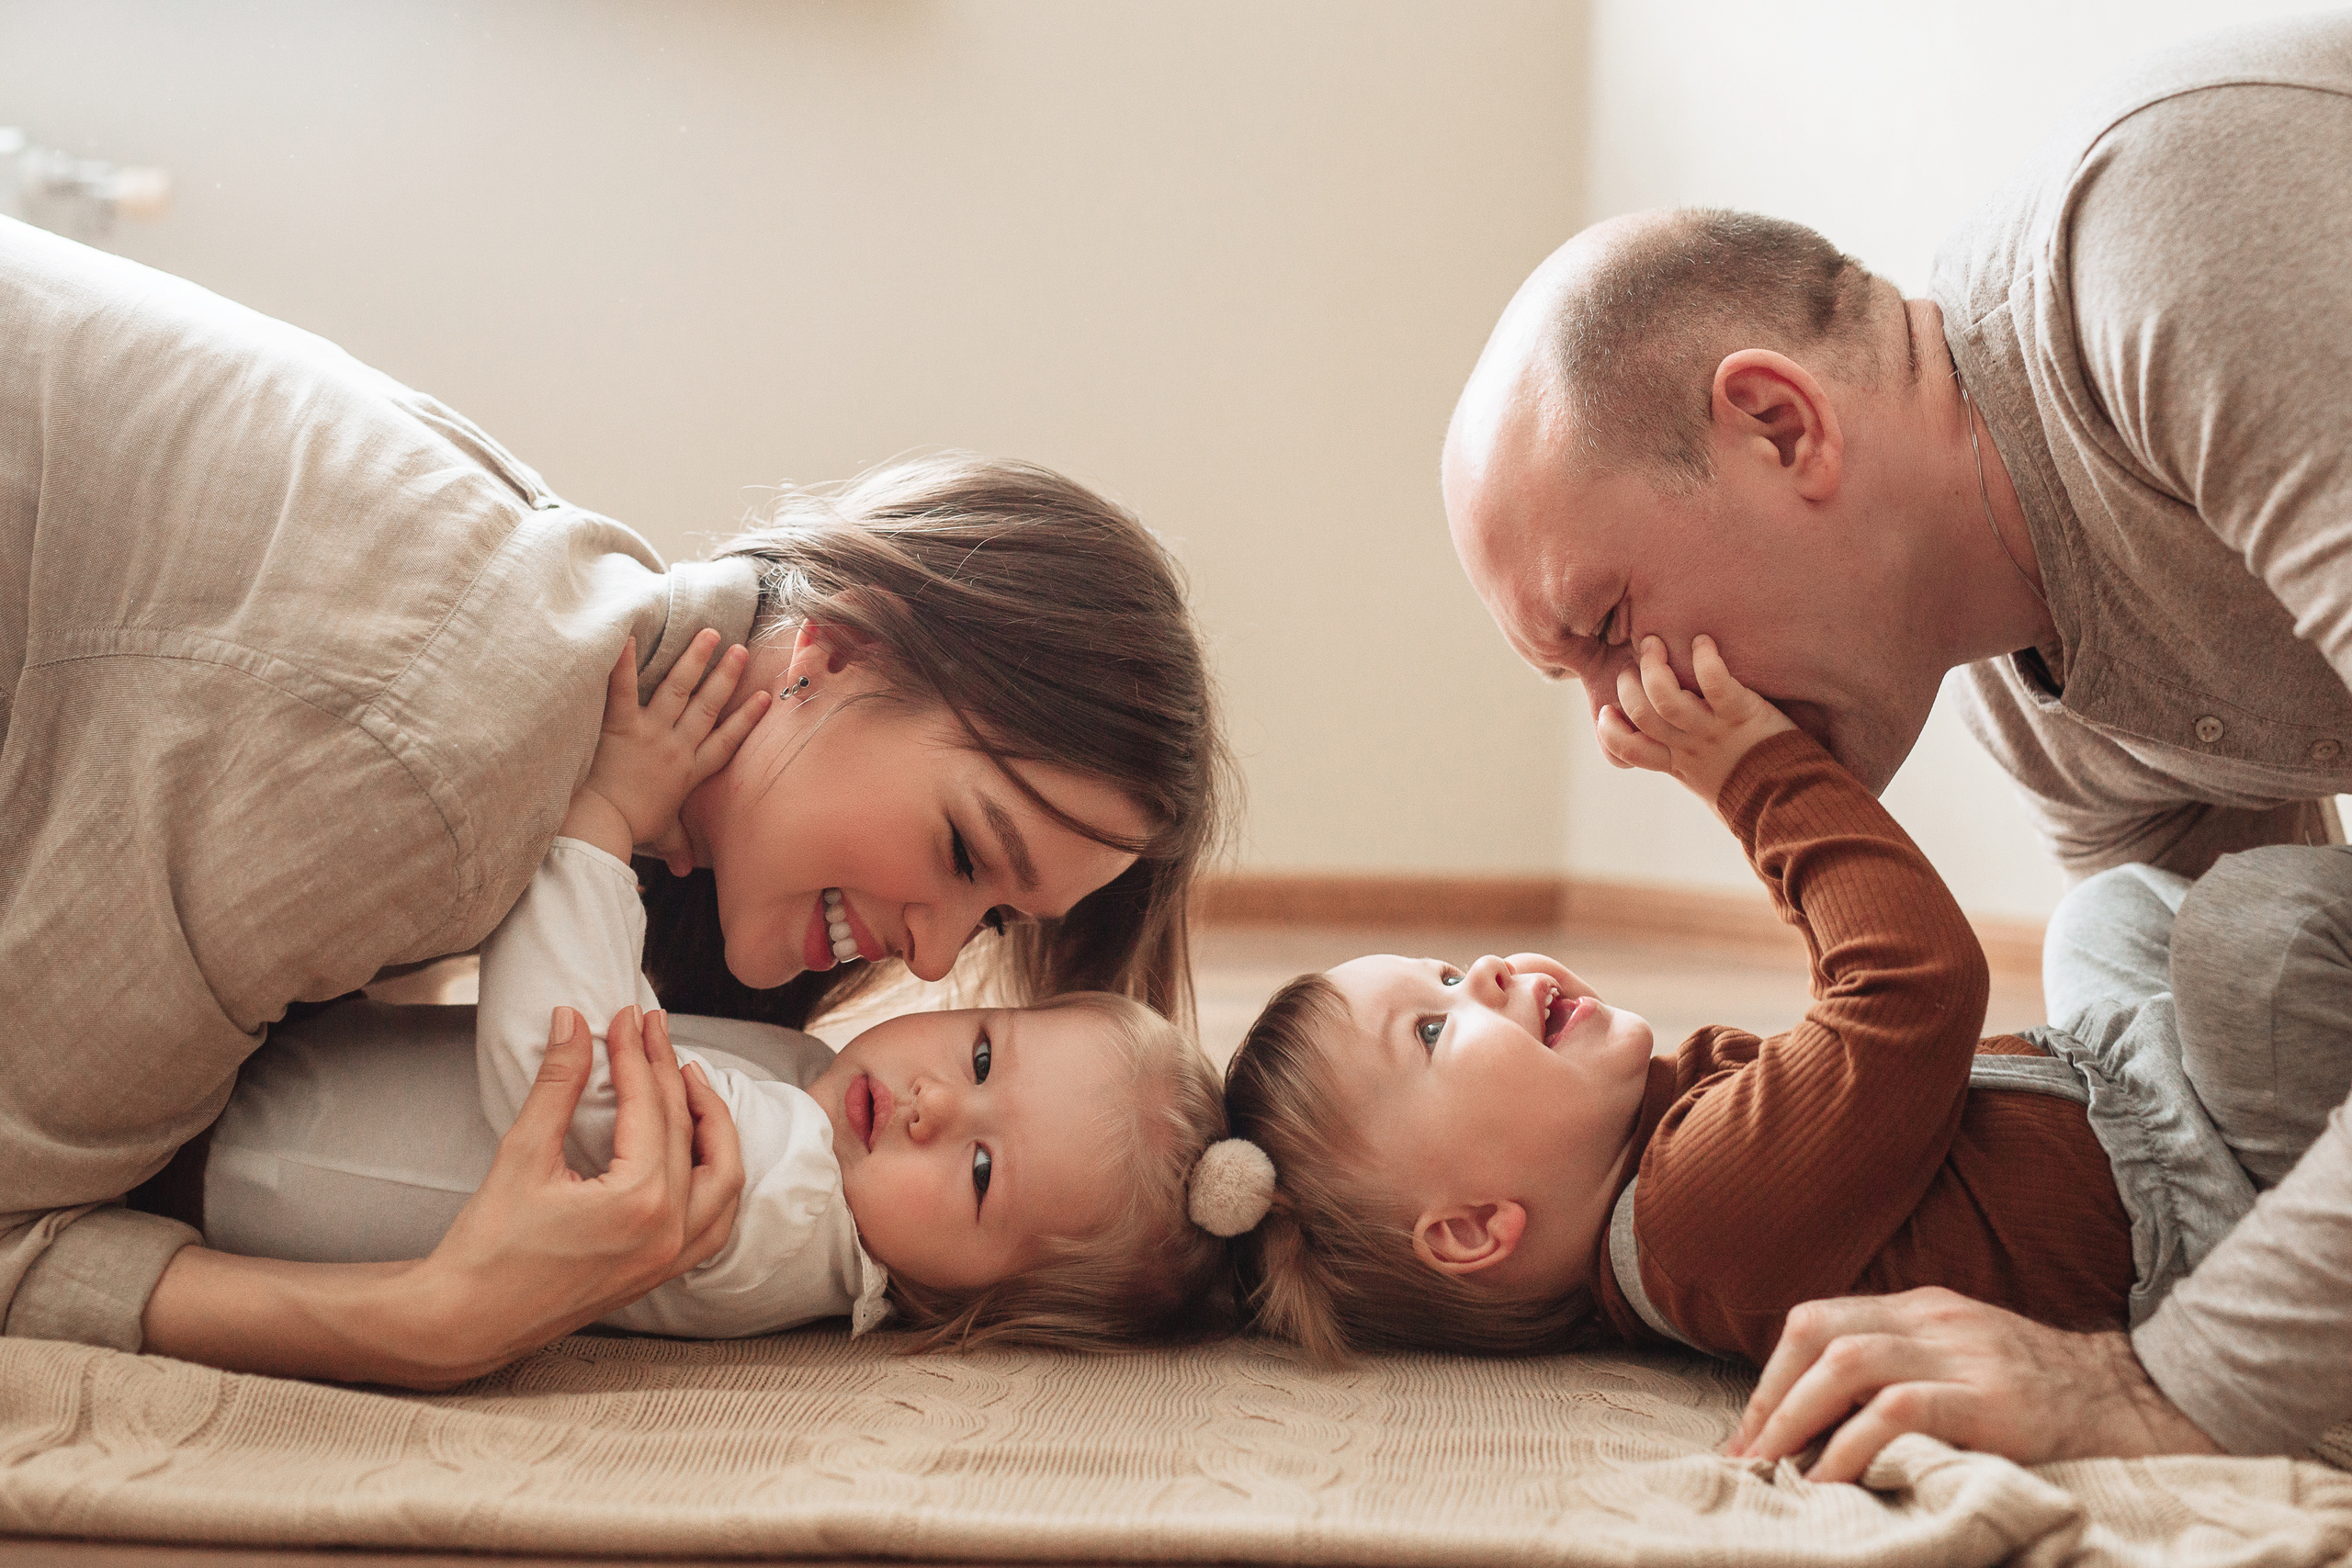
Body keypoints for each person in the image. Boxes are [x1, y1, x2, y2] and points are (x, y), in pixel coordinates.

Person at [0, 214, 1231, 1385]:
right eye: (964, 849)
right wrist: (423, 1321)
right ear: (839, 651)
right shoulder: (449, 767)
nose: (929, 949)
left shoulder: (558, 635)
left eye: (995, 926)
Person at [1435, 15, 2352, 1464]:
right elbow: (2280, 1097)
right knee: (2165, 937)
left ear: (1779, 426)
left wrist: (2155, 1385)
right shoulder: (2035, 691)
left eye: (1608, 621)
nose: (1622, 727)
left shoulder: (2168, 238)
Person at [1216, 639, 2336, 1455]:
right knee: (2253, 942)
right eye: (1433, 1026)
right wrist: (1755, 773)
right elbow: (1912, 986)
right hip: (2219, 1200)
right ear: (1472, 1230)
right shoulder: (1696, 1218)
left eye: (1449, 970)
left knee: (2104, 921)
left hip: (2117, 1087)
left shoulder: (1664, 1151)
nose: (1492, 973)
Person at [165, 631, 1230, 1348]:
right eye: (983, 1056)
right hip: (271, 1086)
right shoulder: (823, 1118)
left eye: (983, 1172)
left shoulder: (781, 1205)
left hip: (226, 1160)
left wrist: (597, 825)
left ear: (960, 1300)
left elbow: (575, 1089)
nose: (934, 1106)